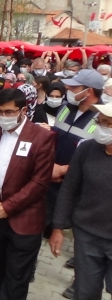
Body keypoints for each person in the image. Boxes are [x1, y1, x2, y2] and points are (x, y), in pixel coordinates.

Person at [0, 88, 55, 300]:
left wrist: (8, 206)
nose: (3, 116)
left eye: (9, 112)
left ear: (23, 110)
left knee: (18, 276)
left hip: (24, 220)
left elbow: (39, 182)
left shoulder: (41, 137)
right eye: (0, 111)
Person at [49, 101, 112, 300]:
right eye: (100, 122)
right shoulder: (87, 149)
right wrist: (58, 227)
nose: (102, 128)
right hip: (86, 235)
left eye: (108, 124)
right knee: (85, 293)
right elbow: (69, 189)